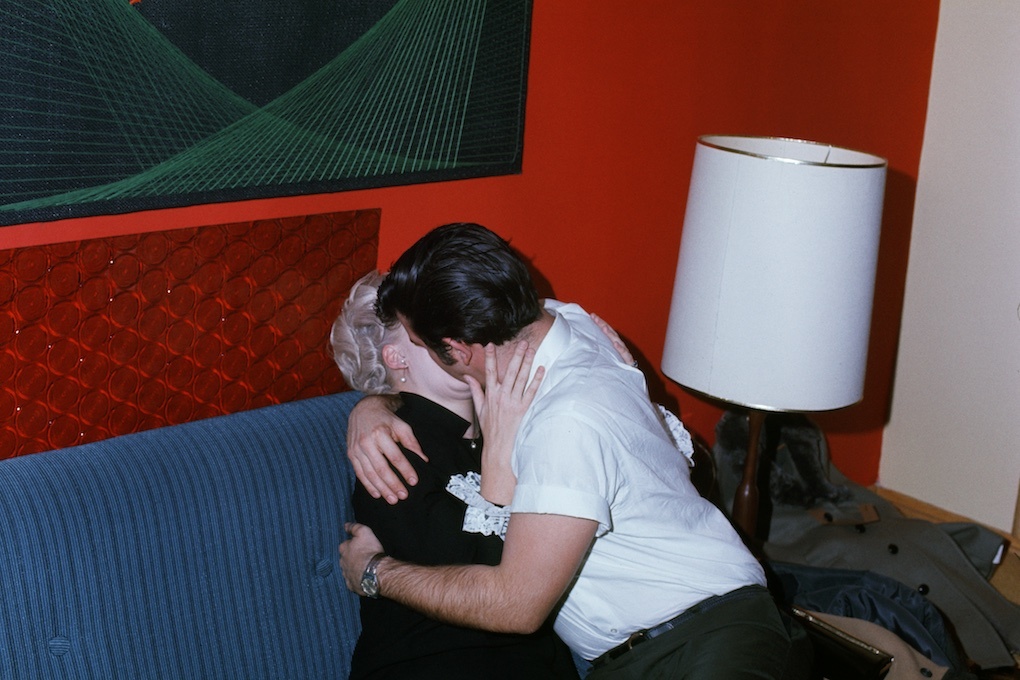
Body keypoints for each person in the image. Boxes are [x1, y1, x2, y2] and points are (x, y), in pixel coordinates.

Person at [339, 224, 802, 679]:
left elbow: (515, 606)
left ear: (458, 350)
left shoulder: (562, 423)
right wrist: (374, 403)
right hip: (641, 652)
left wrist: (376, 571)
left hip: (704, 640)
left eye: (421, 343)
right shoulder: (566, 322)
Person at [330, 271, 580, 679]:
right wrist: (500, 455)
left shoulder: (515, 416)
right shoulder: (389, 447)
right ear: (396, 357)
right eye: (431, 326)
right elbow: (493, 585)